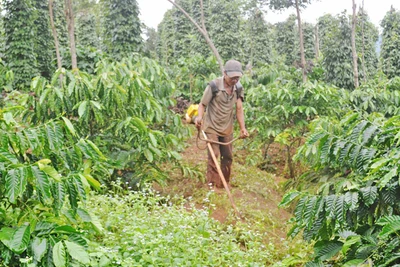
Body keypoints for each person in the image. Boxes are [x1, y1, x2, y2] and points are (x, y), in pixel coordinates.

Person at [195, 59, 249, 188]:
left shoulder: (238, 88)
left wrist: (243, 128)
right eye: (232, 78)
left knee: (228, 156)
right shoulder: (213, 86)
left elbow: (239, 108)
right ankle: (212, 185)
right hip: (212, 126)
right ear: (224, 73)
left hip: (227, 128)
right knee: (214, 155)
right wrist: (199, 117)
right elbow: (202, 104)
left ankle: (224, 183)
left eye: (237, 78)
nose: (234, 80)